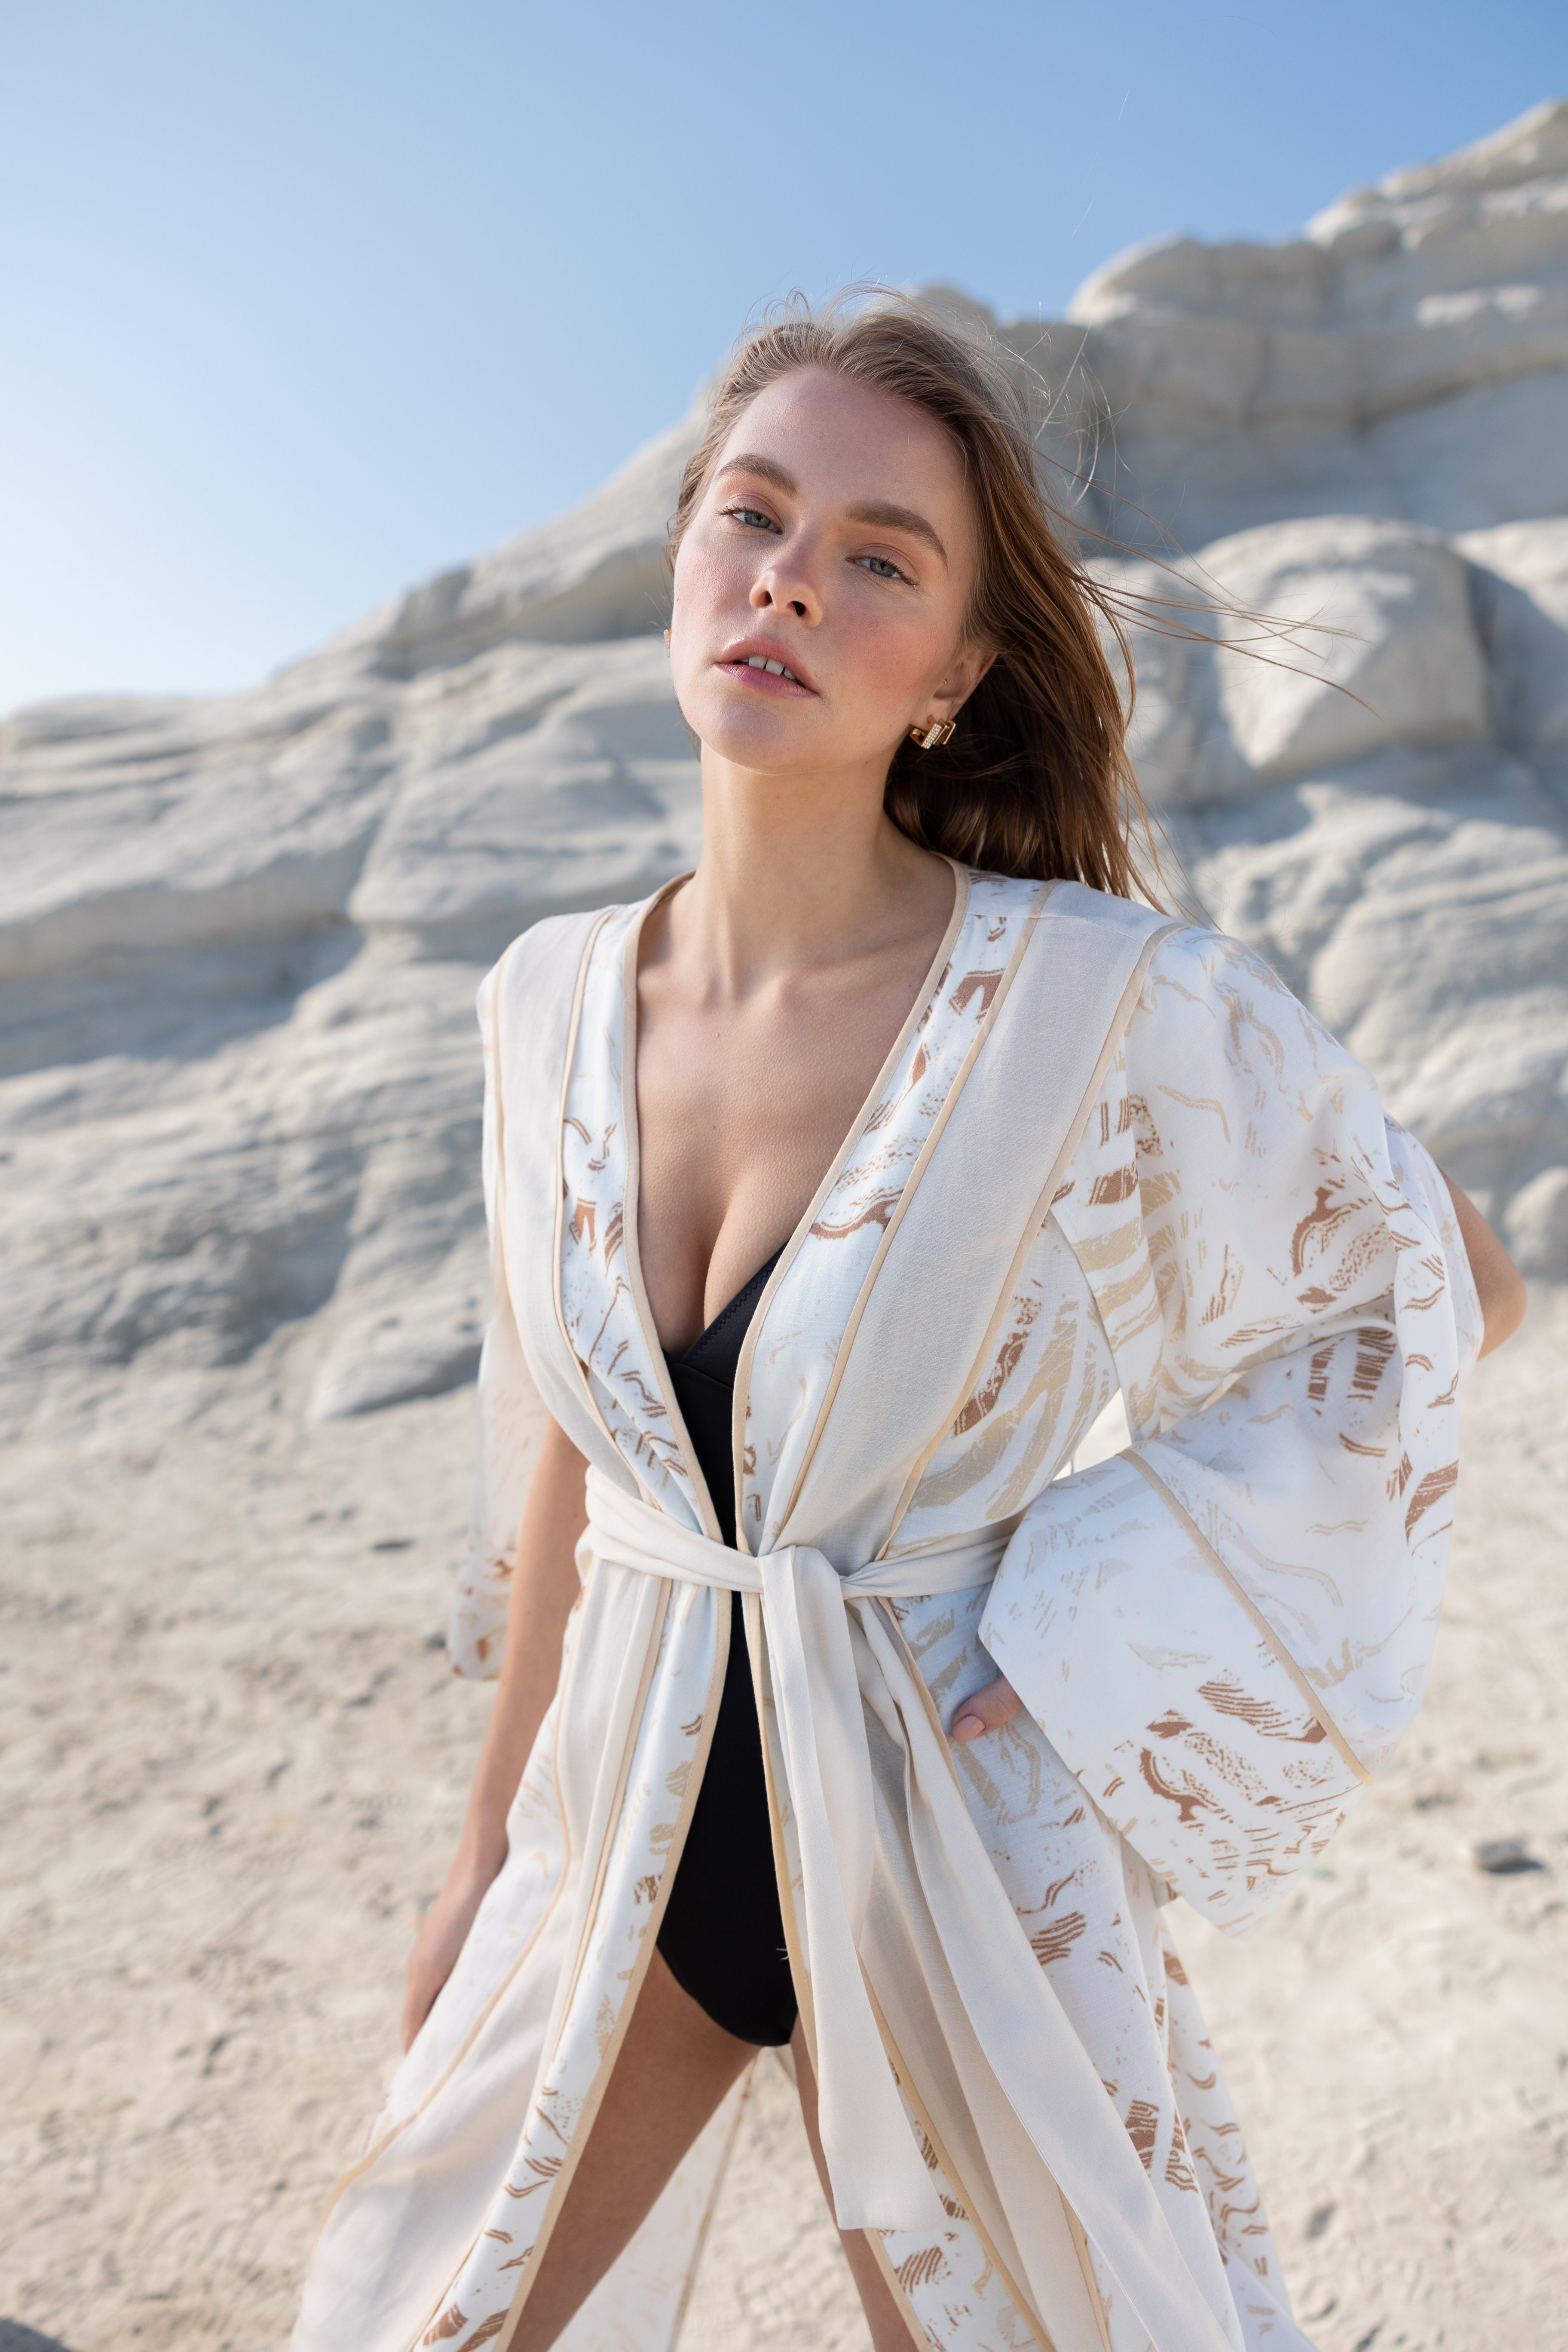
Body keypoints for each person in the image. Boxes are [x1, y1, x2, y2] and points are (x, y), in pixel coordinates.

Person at [291, 299, 1525, 2352]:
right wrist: (481, 1855)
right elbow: (579, 1454)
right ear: (684, 554)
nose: (791, 576)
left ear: (955, 673)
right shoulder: (543, 1002)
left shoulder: (1097, 1000)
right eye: (754, 513)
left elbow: (1436, 1288)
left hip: (961, 1855)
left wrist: (1092, 1608)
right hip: (630, 1837)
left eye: (881, 556)